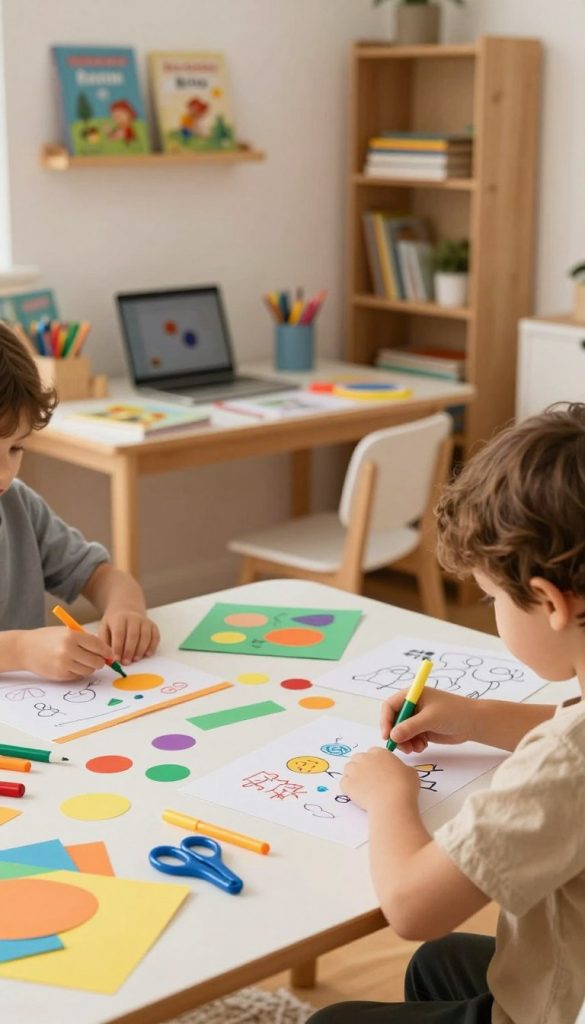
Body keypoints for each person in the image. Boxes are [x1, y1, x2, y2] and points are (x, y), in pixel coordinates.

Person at [307, 403, 585, 1024]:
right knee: (440, 965)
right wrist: (478, 716)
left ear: (546, 601)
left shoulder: (568, 759)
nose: (491, 611)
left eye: (490, 599)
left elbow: (411, 908)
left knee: (332, 1022)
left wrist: (390, 797)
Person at [0, 322, 160, 681]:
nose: (5, 475)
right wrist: (20, 650)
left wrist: (126, 611)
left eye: (16, 448)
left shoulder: (18, 505)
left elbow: (102, 576)